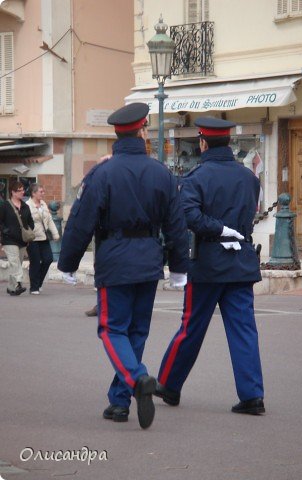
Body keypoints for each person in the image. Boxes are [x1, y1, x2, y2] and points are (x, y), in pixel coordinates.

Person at [57, 102, 189, 429]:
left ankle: (137, 378)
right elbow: (176, 224)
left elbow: (81, 220)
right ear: (143, 130)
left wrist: (68, 263)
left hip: (115, 259)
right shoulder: (162, 172)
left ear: (116, 133)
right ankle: (119, 403)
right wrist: (179, 268)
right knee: (136, 331)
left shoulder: (103, 172)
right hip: (148, 260)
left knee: (112, 329)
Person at [155, 117, 265, 415]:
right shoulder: (249, 178)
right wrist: (229, 229)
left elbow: (188, 216)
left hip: (207, 263)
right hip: (241, 262)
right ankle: (252, 395)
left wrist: (217, 229)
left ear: (203, 143)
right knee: (244, 330)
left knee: (191, 326)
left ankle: (168, 384)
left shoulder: (196, 177)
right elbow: (248, 213)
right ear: (228, 143)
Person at [0, 180, 34, 296]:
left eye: (23, 190)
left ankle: (11, 288)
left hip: (22, 240)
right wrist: (5, 231)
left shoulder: (25, 206)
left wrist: (28, 231)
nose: (22, 192)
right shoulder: (5, 205)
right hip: (9, 239)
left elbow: (30, 222)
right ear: (13, 192)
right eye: (20, 191)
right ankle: (19, 283)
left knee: (17, 263)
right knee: (14, 263)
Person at [26, 183, 60, 294]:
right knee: (35, 262)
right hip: (33, 238)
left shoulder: (43, 204)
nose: (43, 193)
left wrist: (55, 234)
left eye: (43, 191)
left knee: (48, 259)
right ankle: (34, 287)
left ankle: (38, 282)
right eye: (41, 192)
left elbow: (49, 220)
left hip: (44, 237)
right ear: (33, 193)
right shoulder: (27, 205)